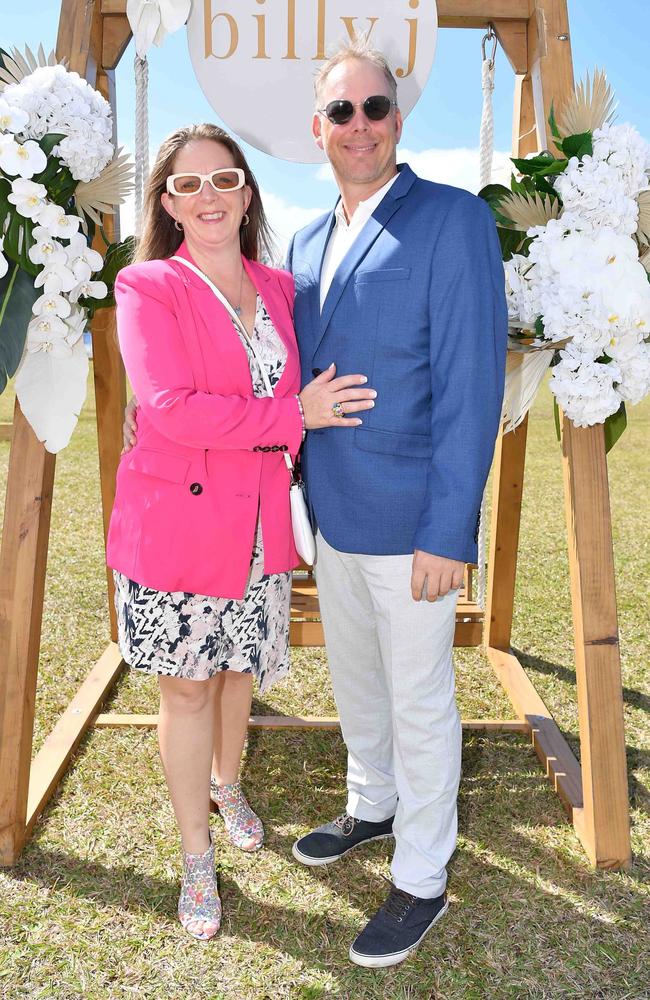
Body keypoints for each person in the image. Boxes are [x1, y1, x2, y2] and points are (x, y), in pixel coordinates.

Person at [107, 123, 376, 941]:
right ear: (167, 204)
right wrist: (291, 415)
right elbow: (168, 408)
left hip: (259, 519)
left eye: (223, 179)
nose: (209, 196)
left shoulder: (283, 288)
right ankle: (196, 857)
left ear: (247, 191)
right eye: (188, 185)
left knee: (234, 673)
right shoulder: (148, 286)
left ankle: (229, 785)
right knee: (187, 686)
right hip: (177, 523)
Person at [285, 39, 507, 968]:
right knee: (358, 683)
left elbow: (470, 386)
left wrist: (449, 530)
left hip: (415, 521)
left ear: (399, 121)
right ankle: (372, 805)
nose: (361, 127)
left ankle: (422, 876)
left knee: (420, 701)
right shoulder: (300, 237)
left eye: (376, 109)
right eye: (343, 112)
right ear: (319, 128)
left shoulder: (453, 221)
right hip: (333, 516)